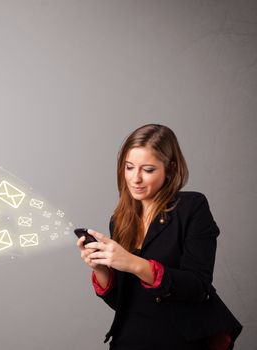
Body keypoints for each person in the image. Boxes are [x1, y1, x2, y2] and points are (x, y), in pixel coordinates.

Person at [77, 124, 242, 349]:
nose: (135, 178)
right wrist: (101, 269)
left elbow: (198, 287)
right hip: (129, 339)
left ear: (170, 169)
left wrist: (133, 263)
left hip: (181, 340)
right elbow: (123, 303)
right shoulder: (120, 219)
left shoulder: (192, 207)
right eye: (129, 167)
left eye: (147, 170)